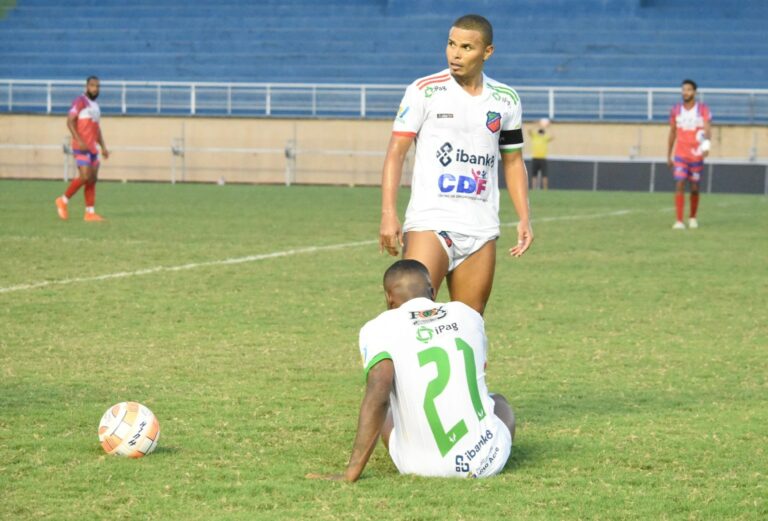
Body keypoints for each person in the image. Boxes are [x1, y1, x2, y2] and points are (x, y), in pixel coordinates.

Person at [379, 14, 533, 316]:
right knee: (414, 315)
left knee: (470, 326)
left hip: (481, 225)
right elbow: (396, 152)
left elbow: (513, 161)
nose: (455, 54)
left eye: (466, 47)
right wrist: (388, 213)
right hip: (431, 220)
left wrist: (524, 217)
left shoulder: (506, 100)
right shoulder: (425, 90)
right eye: (451, 44)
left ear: (487, 52)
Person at [308, 259, 515, 482]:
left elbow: (379, 392)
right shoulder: (468, 315)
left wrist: (351, 473)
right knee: (499, 402)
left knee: (387, 412)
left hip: (418, 467)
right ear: (433, 291)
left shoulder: (377, 327)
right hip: (484, 462)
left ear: (389, 297)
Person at [55, 76, 109, 221]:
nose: (95, 89)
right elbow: (70, 121)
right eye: (92, 86)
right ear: (86, 86)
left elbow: (97, 129)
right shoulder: (80, 101)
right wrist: (78, 140)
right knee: (85, 176)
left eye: (98, 86)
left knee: (92, 179)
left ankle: (90, 213)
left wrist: (103, 146)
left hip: (92, 148)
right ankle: (63, 200)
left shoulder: (96, 107)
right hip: (81, 146)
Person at [667, 79, 711, 230]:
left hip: (696, 155)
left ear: (694, 92)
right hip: (680, 154)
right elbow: (672, 132)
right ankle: (679, 221)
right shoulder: (675, 110)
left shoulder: (703, 109)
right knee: (679, 183)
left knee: (694, 188)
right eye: (683, 89)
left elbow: (707, 129)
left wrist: (706, 146)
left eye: (689, 90)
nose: (685, 92)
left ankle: (692, 217)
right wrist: (668, 155)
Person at [528, 118, 553, 190]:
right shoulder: (535, 137)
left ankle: (545, 189)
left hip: (543, 158)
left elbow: (553, 136)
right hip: (535, 158)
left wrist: (549, 127)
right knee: (534, 175)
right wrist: (537, 125)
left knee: (544, 175)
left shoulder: (545, 138)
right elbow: (529, 130)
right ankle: (533, 189)